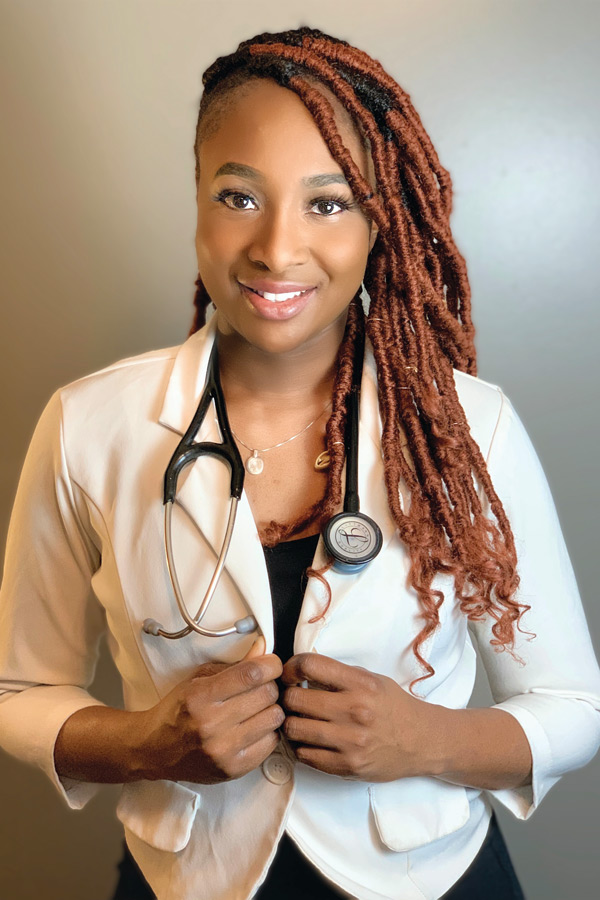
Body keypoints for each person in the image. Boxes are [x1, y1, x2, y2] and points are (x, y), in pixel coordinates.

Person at [1, 25, 599, 900]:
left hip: (430, 880)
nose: (277, 248)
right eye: (239, 196)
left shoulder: (468, 429)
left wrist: (425, 740)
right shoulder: (90, 425)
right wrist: (146, 746)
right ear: (197, 196)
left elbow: (574, 708)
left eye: (328, 203)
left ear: (378, 220)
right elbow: (18, 690)